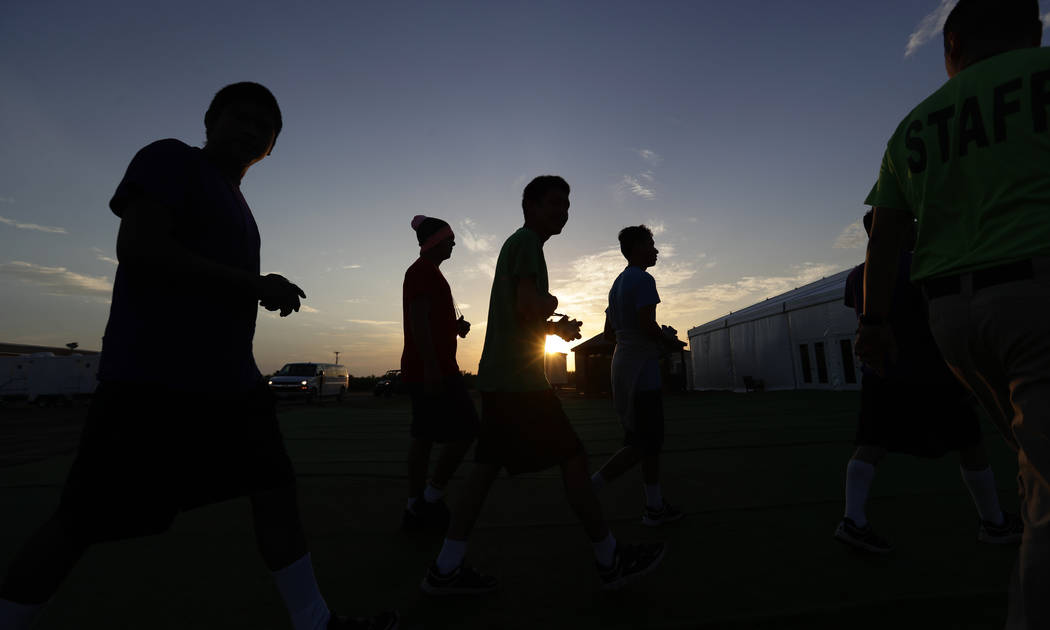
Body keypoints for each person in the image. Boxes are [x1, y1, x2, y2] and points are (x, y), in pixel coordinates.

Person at [0, 83, 397, 630]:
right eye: (240, 117)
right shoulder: (168, 159)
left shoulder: (241, 206)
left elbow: (223, 281)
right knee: (83, 518)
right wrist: (254, 284)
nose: (251, 130)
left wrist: (257, 286)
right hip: (153, 378)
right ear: (210, 121)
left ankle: (314, 621)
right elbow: (140, 250)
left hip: (229, 383)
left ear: (271, 148)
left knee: (274, 489)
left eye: (265, 127)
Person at [856, 1, 1049, 626]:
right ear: (1034, 32)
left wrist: (873, 325)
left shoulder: (912, 127)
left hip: (954, 320)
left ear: (954, 45)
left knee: (1032, 459)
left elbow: (883, 238)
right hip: (1037, 293)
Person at [420, 176, 666, 595]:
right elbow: (529, 304)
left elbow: (522, 316)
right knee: (572, 457)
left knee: (483, 470)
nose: (563, 212)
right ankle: (609, 559)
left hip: (499, 377)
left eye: (567, 204)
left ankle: (445, 566)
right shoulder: (528, 245)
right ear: (530, 207)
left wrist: (554, 328)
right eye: (555, 204)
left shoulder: (518, 246)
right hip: (519, 381)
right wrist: (552, 306)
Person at [836, 210, 1021, 554]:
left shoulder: (856, 276)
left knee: (871, 444)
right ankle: (994, 522)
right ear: (900, 230)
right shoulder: (925, 266)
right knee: (970, 443)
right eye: (911, 225)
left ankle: (853, 519)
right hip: (933, 371)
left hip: (881, 374)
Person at [591, 225, 685, 526]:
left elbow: (609, 334)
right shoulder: (643, 279)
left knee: (643, 439)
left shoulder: (617, 283)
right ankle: (591, 487)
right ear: (636, 248)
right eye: (651, 244)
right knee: (644, 443)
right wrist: (668, 341)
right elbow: (646, 325)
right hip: (641, 371)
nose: (656, 249)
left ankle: (654, 506)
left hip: (623, 365)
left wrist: (645, 338)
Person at [400, 215, 478, 532]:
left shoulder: (429, 273)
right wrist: (432, 368)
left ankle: (418, 504)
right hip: (433, 370)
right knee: (465, 429)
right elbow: (418, 321)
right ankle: (427, 499)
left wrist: (454, 328)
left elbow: (429, 319)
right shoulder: (421, 272)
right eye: (450, 239)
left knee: (425, 437)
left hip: (433, 368)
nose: (454, 244)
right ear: (435, 242)